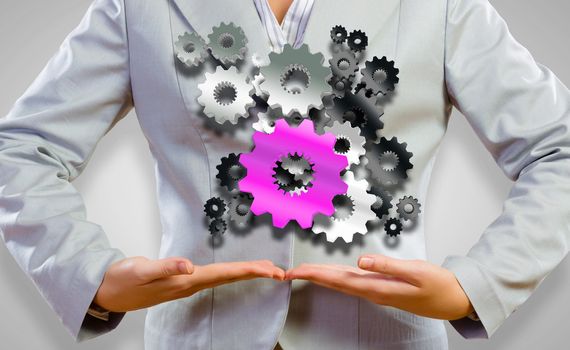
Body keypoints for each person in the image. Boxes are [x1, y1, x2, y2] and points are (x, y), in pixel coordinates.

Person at [0, 0, 568, 349]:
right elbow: (20, 149)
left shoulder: (444, 5)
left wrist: (477, 285)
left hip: (384, 339)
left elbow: (558, 148)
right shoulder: (134, 5)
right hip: (200, 338)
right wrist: (90, 276)